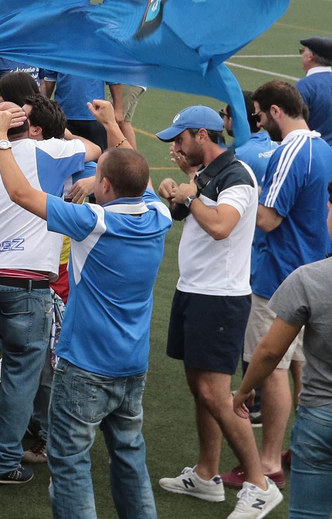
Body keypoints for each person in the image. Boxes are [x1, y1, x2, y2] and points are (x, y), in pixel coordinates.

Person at [0, 100, 174, 517]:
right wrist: (111, 124)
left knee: (70, 464)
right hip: (132, 365)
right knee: (130, 458)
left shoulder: (94, 222)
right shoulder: (158, 214)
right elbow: (135, 171)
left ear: (104, 185)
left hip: (86, 364)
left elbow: (20, 193)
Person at [150, 106, 276, 511]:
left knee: (216, 393)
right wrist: (176, 190)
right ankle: (207, 475)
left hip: (219, 297)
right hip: (194, 290)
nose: (176, 146)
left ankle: (260, 485)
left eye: (180, 138)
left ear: (201, 135)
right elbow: (187, 212)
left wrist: (189, 194)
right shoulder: (205, 172)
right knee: (199, 388)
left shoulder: (236, 175)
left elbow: (221, 226)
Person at [0, 92, 100, 485]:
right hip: (27, 285)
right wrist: (60, 128)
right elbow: (96, 148)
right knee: (21, 379)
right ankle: (2, 461)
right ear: (34, 129)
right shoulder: (51, 150)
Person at [246, 80, 332, 485]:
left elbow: (268, 219)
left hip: (279, 276)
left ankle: (269, 463)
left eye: (260, 115)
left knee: (274, 368)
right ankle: (301, 446)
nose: (259, 124)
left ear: (276, 112)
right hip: (312, 270)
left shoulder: (290, 151)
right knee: (300, 365)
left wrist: (240, 194)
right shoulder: (324, 148)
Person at [233, 231, 332, 519]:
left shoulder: (309, 278)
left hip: (320, 416)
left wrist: (245, 389)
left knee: (308, 514)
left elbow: (269, 351)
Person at [297, 35, 332, 141]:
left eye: (302, 51)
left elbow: (292, 124)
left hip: (313, 147)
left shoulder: (305, 86)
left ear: (310, 56)